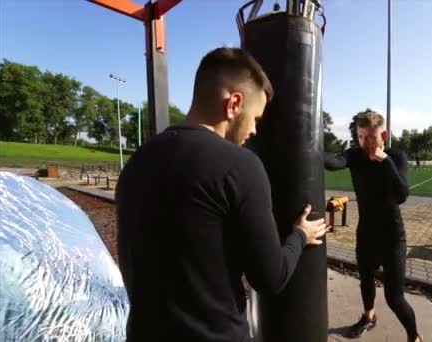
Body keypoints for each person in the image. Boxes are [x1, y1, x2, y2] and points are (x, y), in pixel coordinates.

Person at [115, 47, 328, 342]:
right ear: (234, 104)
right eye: (256, 117)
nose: (254, 129)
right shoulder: (240, 166)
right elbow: (271, 277)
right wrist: (299, 236)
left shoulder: (137, 163)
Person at [325, 112, 422, 342]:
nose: (366, 143)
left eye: (371, 137)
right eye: (361, 137)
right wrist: (308, 145)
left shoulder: (396, 157)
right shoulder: (355, 156)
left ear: (384, 135)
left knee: (395, 298)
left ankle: (414, 337)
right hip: (366, 235)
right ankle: (369, 317)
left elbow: (401, 195)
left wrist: (385, 162)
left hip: (392, 237)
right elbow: (333, 162)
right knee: (366, 280)